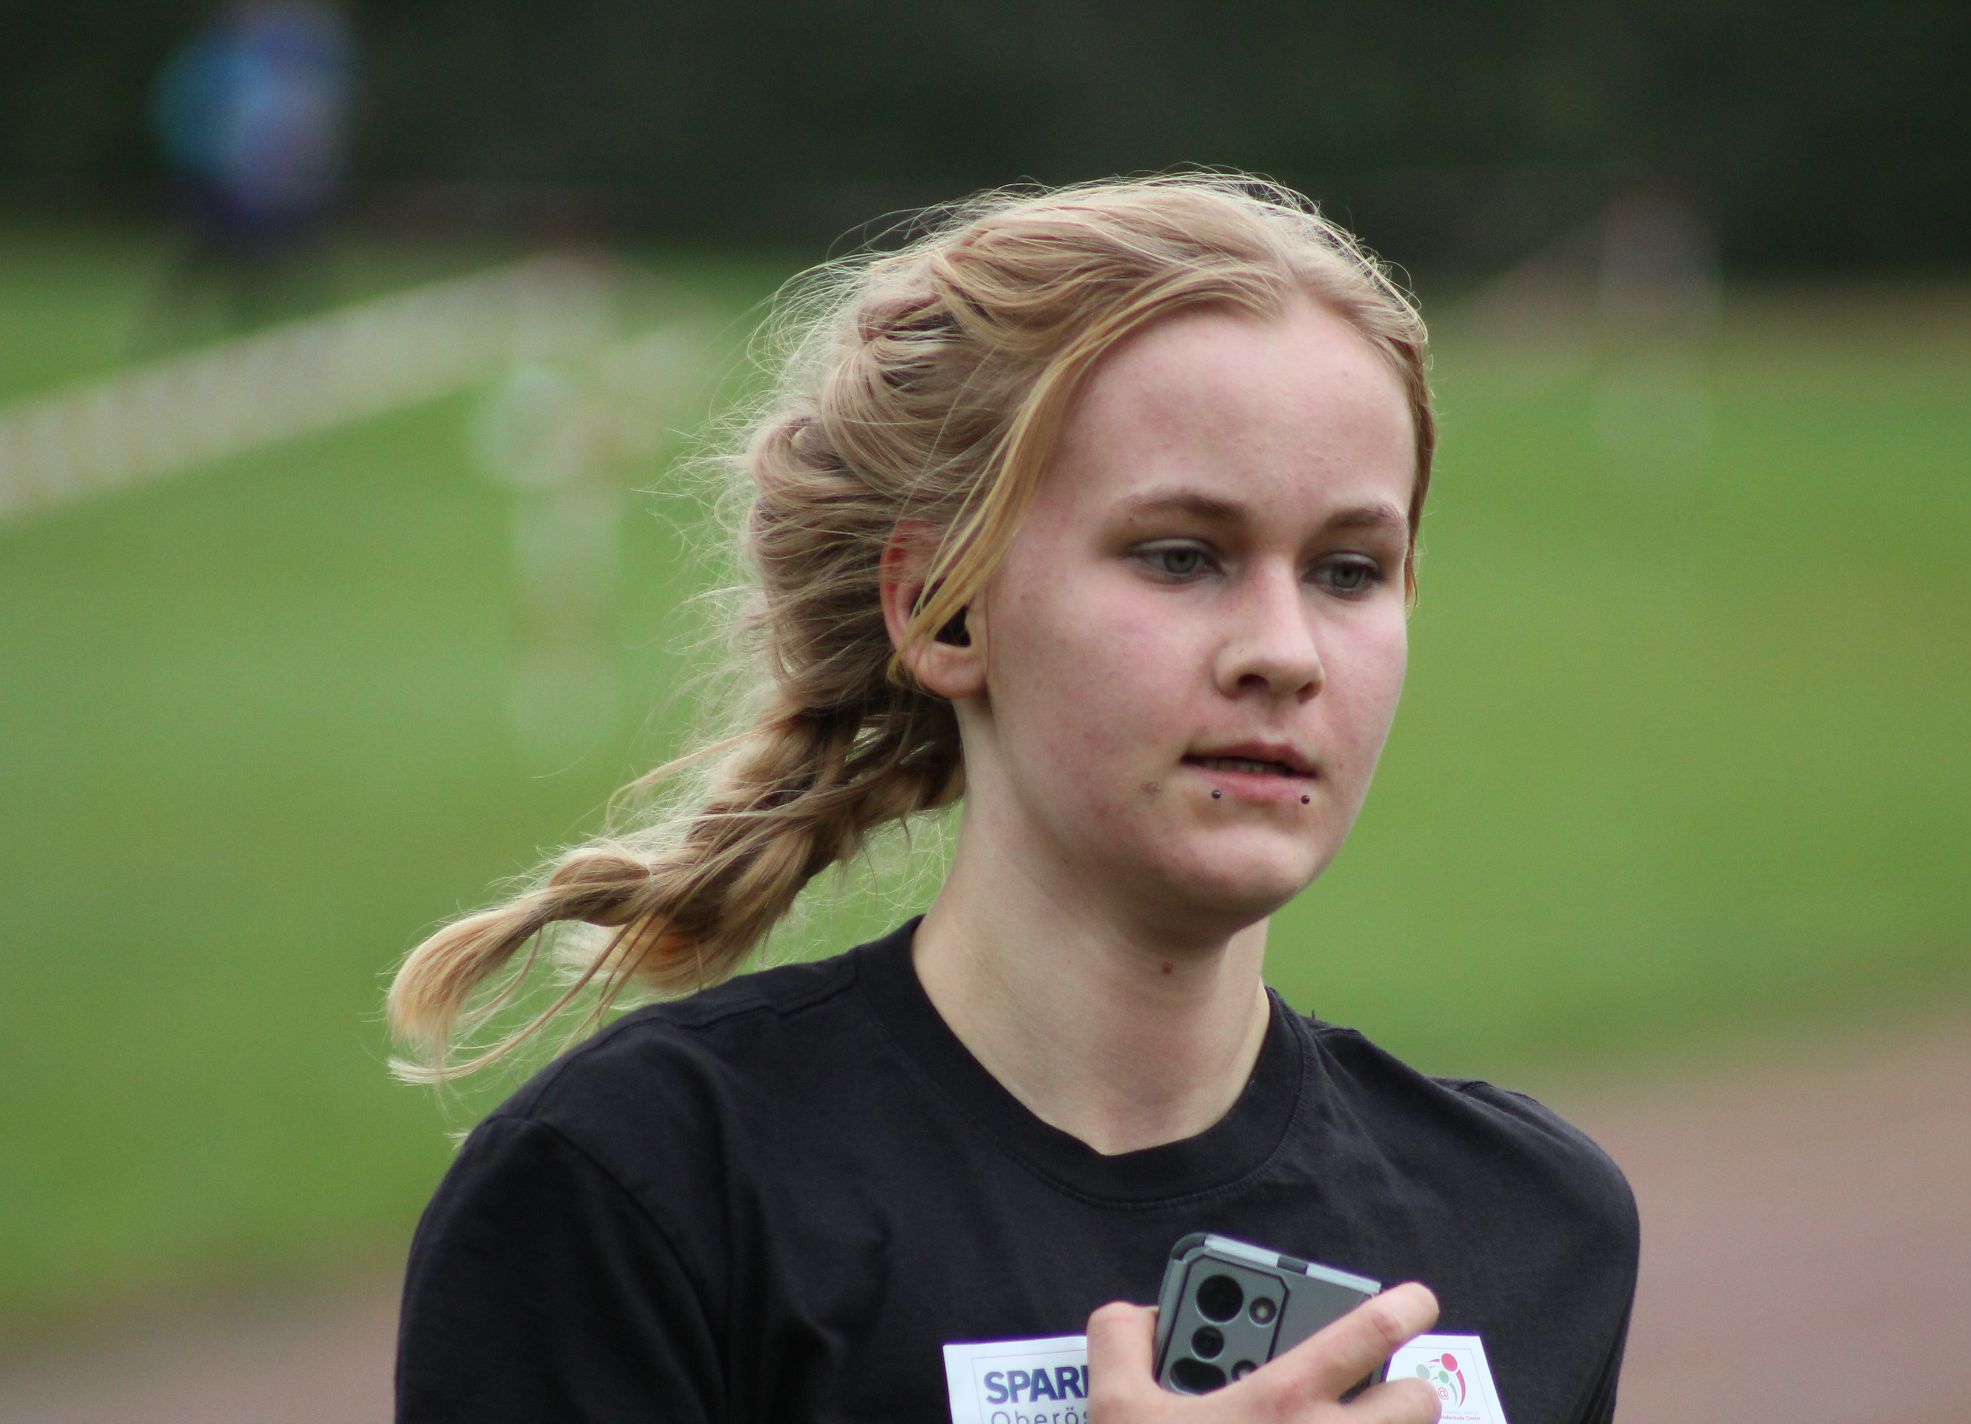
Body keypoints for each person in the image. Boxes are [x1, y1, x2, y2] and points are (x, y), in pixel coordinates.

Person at [389, 174, 1638, 1423]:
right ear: (943, 608)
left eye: (1349, 570)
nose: (1285, 651)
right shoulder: (640, 1195)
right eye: (1181, 555)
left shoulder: (1533, 1224)